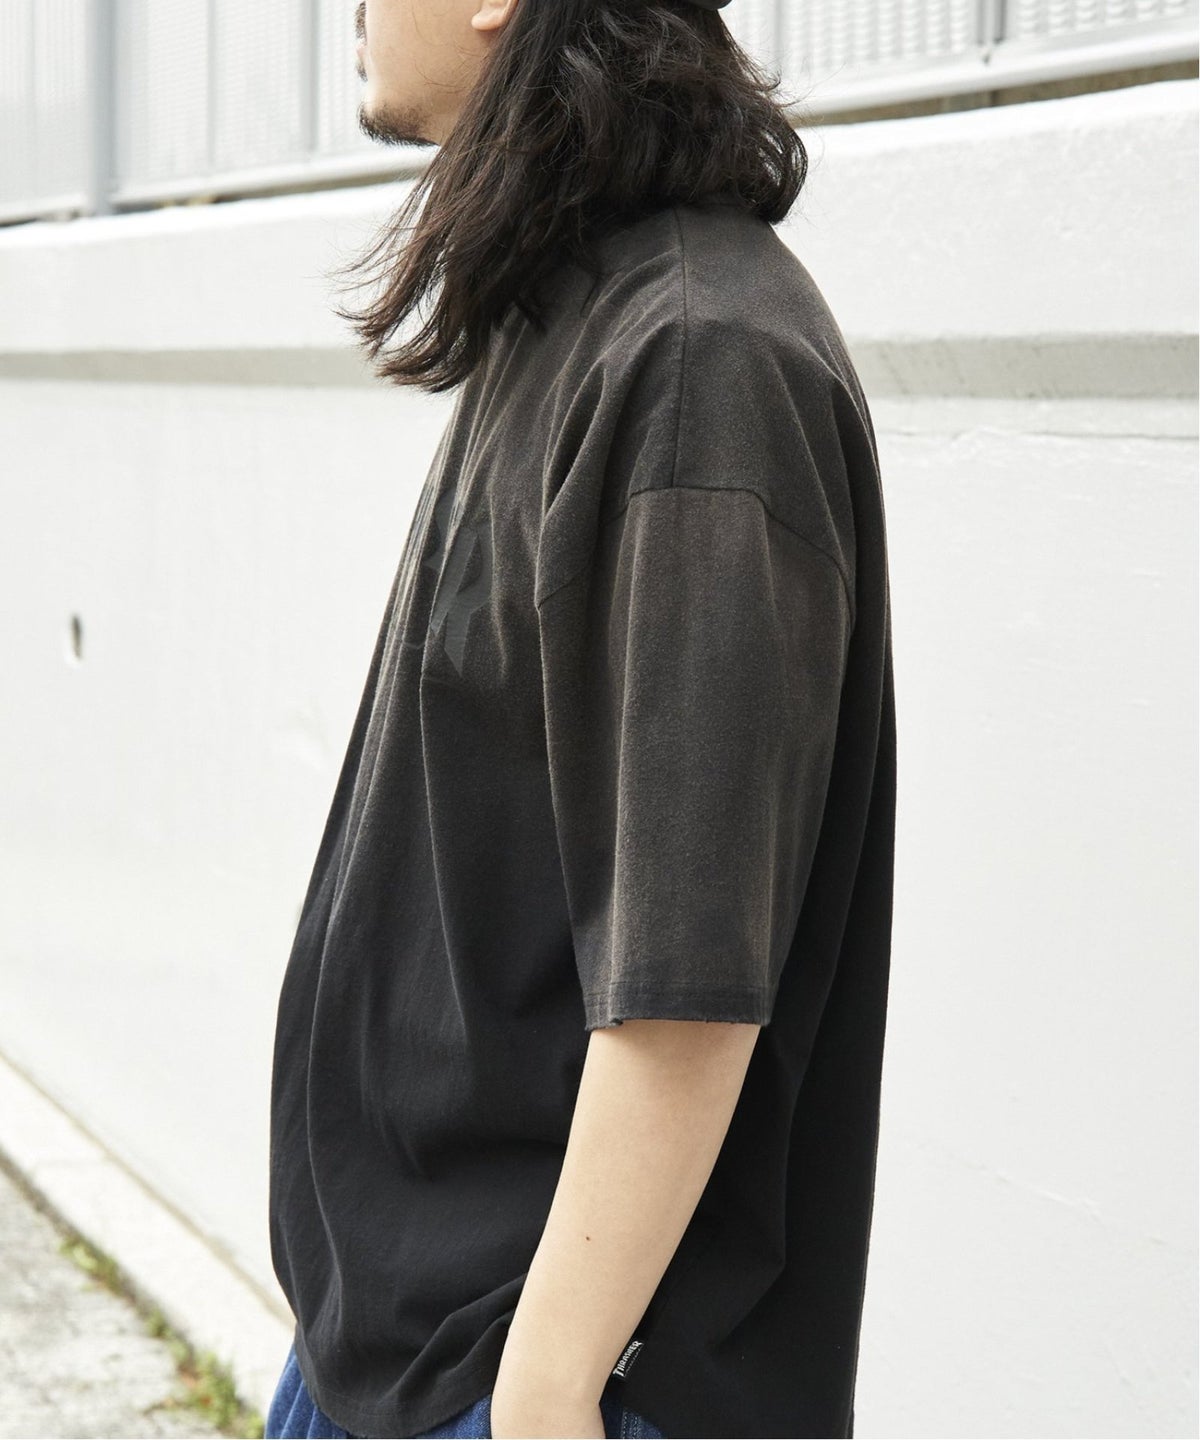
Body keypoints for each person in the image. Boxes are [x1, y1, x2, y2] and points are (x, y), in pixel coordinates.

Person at [265, 0, 896, 1436]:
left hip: (536, 1376)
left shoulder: (697, 364)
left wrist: (542, 1395)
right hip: (411, 1348)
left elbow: (685, 982)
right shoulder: (581, 314)